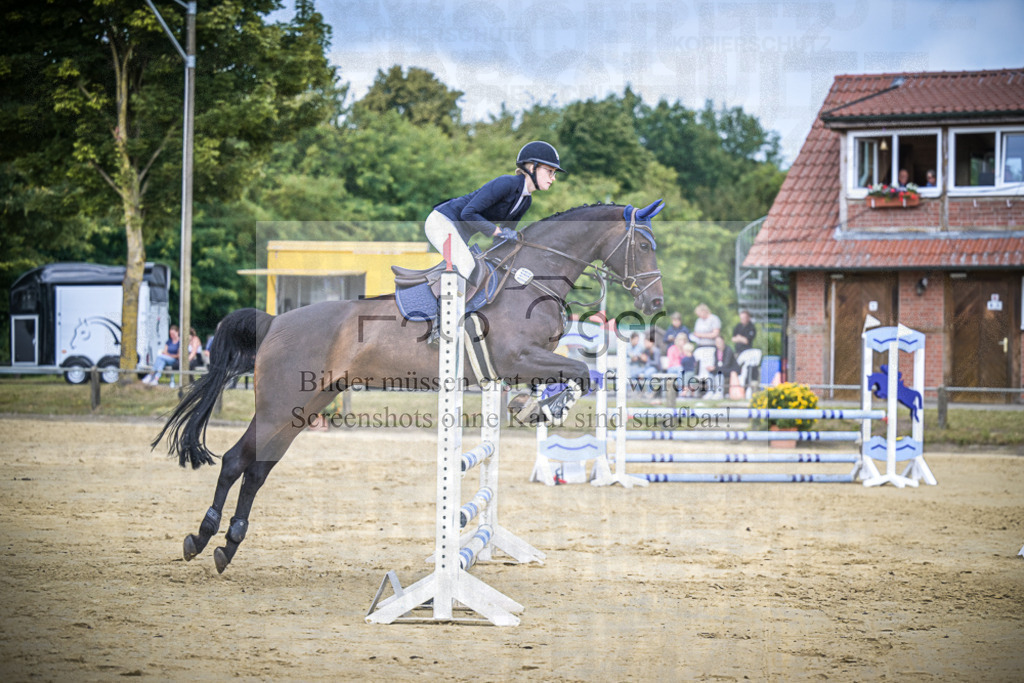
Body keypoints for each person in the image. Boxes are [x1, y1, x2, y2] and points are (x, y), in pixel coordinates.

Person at [425, 141, 566, 279]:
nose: (553, 178)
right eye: (550, 171)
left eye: (554, 173)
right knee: (467, 266)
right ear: (532, 168)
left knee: (483, 270)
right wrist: (498, 231)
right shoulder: (506, 183)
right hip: (442, 222)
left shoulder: (526, 201)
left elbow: (504, 237)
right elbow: (468, 213)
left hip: (460, 232)